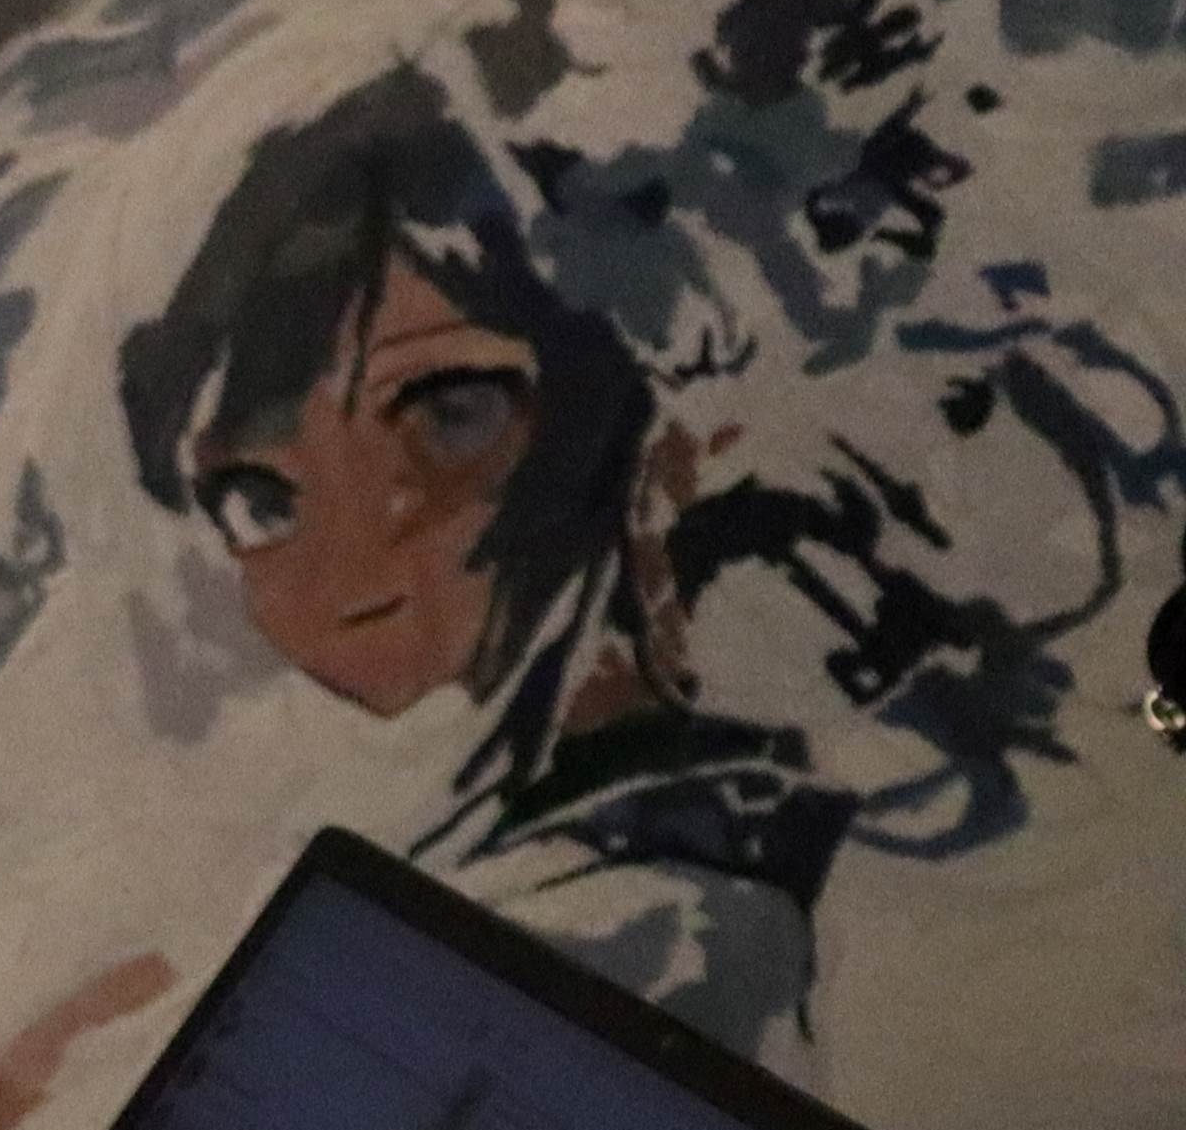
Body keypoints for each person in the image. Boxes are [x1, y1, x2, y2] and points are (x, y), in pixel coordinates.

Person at [112, 63, 844, 1043]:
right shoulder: (429, 876)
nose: (359, 571)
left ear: (648, 428)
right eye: (263, 500)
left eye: (454, 417)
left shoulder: (659, 929)